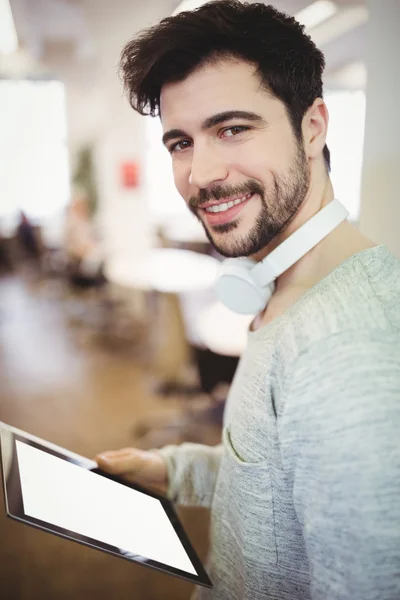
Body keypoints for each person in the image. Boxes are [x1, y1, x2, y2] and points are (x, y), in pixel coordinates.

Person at [96, 2, 400, 598]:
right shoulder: (286, 287)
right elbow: (272, 477)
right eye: (180, 142)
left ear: (313, 126)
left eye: (232, 128)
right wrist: (173, 471)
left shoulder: (345, 349)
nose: (200, 174)